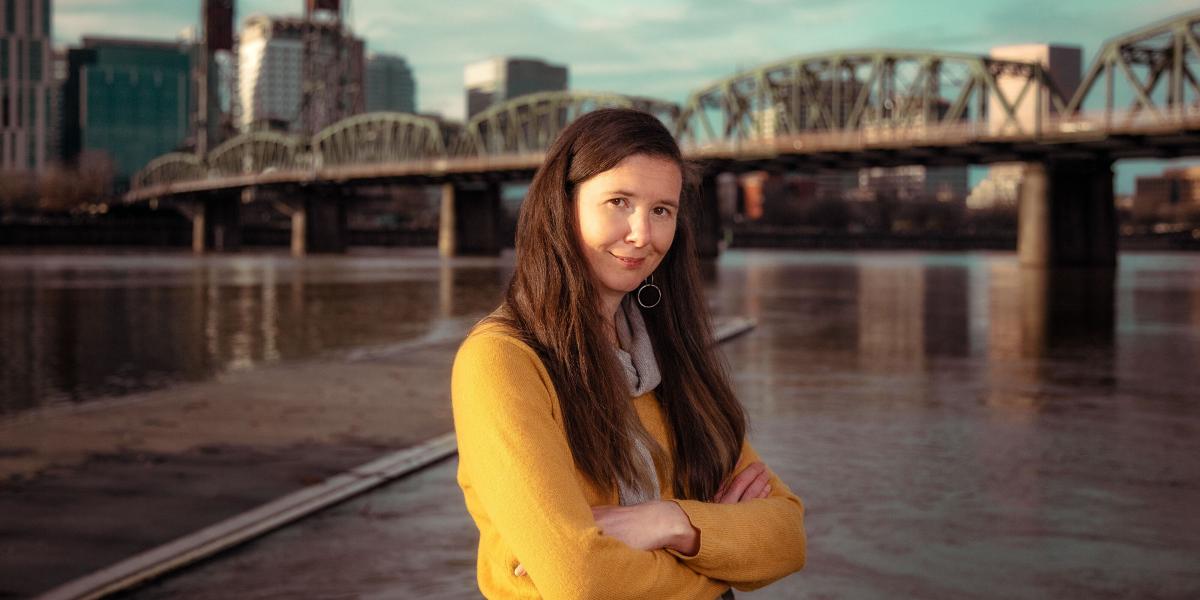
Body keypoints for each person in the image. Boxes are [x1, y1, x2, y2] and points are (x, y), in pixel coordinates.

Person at [451, 108, 805, 599]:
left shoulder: (669, 355)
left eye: (662, 210)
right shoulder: (502, 362)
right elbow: (583, 580)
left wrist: (671, 521)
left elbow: (788, 536)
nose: (643, 234)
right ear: (563, 206)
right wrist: (721, 552)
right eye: (619, 201)